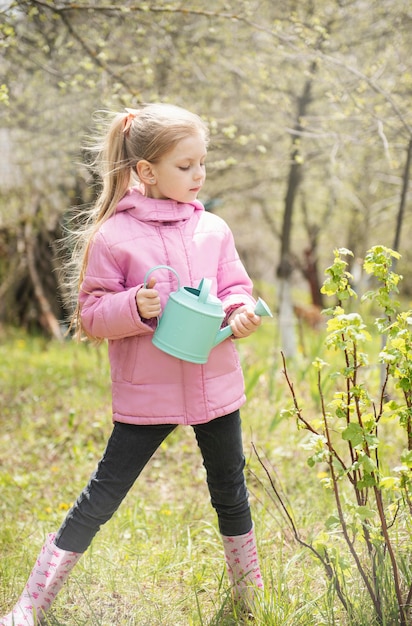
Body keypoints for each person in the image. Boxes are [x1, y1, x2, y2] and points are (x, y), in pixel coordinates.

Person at [0, 103, 264, 625]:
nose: (199, 175)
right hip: (150, 391)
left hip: (214, 384)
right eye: (185, 166)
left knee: (230, 491)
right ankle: (31, 603)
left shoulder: (212, 228)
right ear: (146, 171)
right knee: (103, 495)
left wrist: (240, 312)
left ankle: (251, 597)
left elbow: (236, 287)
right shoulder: (114, 237)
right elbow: (92, 315)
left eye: (202, 163)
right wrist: (134, 308)